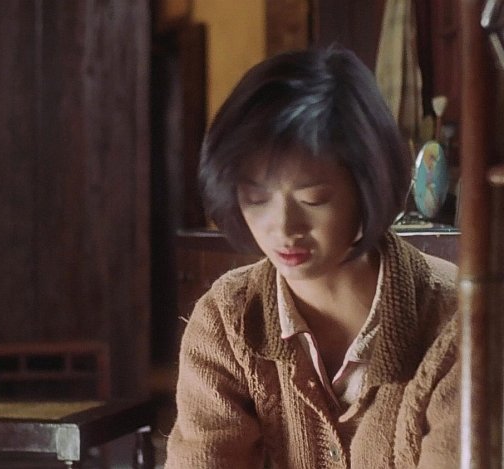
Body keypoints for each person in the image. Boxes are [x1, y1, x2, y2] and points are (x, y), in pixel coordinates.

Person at [165, 46, 459, 468]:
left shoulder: (459, 322)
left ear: (367, 187)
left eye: (314, 198)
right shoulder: (226, 320)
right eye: (256, 199)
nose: (283, 227)